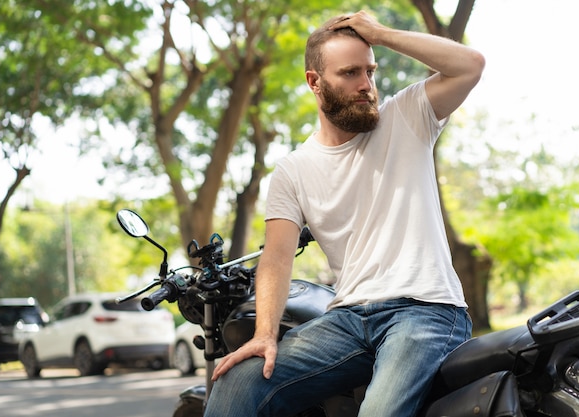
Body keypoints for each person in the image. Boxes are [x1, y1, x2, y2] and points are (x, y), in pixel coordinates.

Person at [204, 10, 485, 417]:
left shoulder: (405, 117)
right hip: (347, 320)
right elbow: (277, 257)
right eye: (351, 73)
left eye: (370, 72)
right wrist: (264, 334)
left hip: (426, 311)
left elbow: (470, 65)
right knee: (238, 382)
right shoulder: (294, 169)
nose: (366, 86)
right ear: (314, 82)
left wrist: (380, 34)